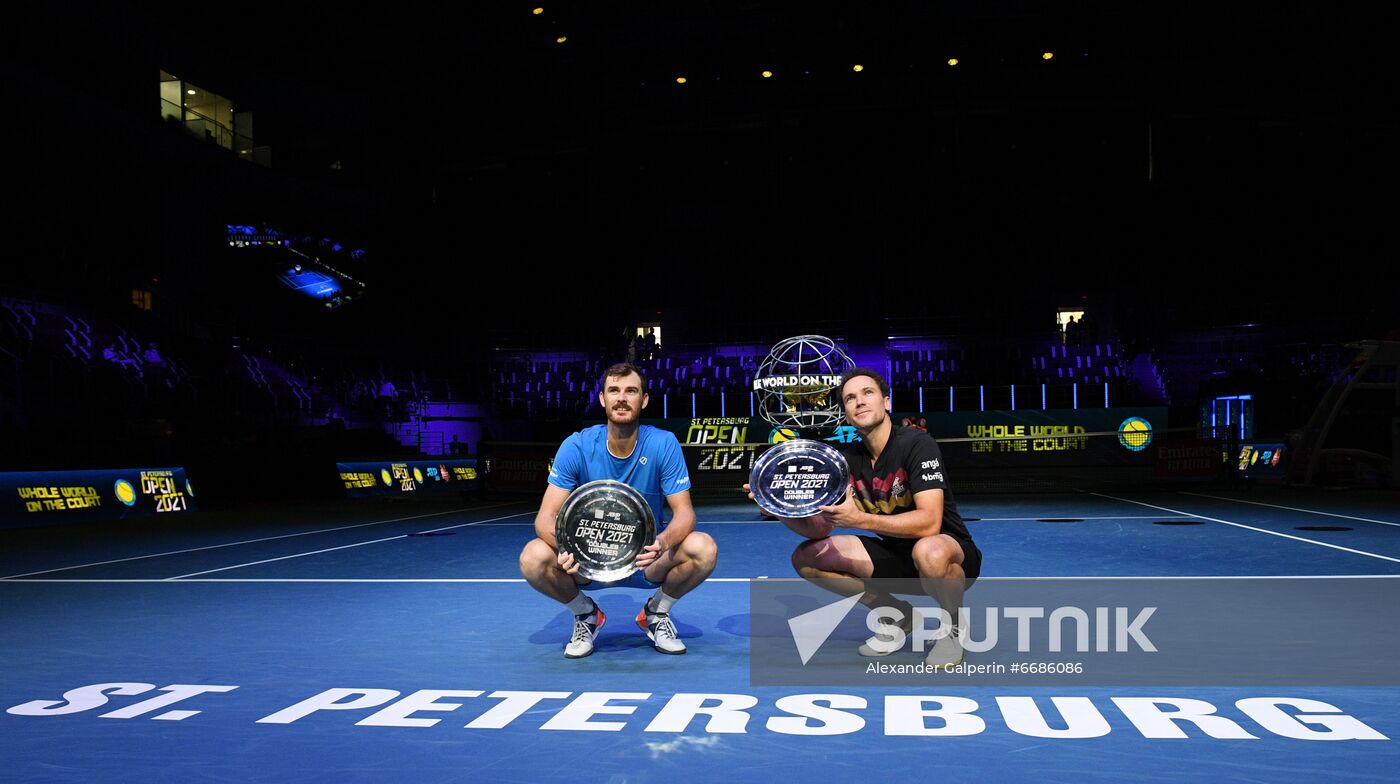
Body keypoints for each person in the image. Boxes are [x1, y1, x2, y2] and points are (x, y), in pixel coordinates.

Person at [747, 367, 981, 667]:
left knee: (929, 549)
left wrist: (859, 520)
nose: (859, 401)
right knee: (808, 557)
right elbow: (820, 528)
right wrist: (778, 508)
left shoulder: (916, 443)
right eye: (850, 398)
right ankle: (897, 616)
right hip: (897, 554)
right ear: (845, 413)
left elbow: (929, 523)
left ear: (886, 402)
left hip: (951, 554)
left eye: (867, 393)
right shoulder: (846, 460)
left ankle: (953, 628)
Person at [519, 362, 717, 658]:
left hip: (646, 559)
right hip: (588, 562)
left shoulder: (663, 443)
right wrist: (567, 548)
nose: (622, 398)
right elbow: (545, 518)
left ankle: (656, 613)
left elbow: (685, 514)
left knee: (704, 548)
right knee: (533, 557)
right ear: (602, 399)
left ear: (644, 400)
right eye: (614, 390)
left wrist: (661, 543)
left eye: (631, 391)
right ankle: (586, 614)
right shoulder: (577, 445)